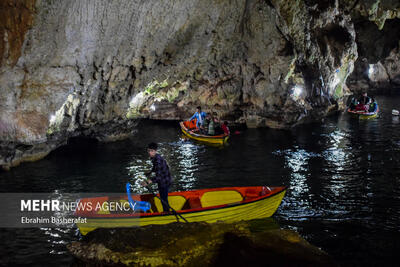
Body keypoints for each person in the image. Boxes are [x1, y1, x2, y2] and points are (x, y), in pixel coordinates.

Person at [143, 142, 172, 213]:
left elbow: (159, 177)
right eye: (149, 151)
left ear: (155, 151)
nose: (150, 152)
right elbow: (155, 167)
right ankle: (166, 211)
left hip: (164, 181)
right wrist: (150, 172)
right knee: (163, 198)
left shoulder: (158, 161)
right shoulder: (155, 157)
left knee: (163, 199)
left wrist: (148, 182)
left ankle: (166, 212)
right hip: (164, 180)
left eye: (152, 151)